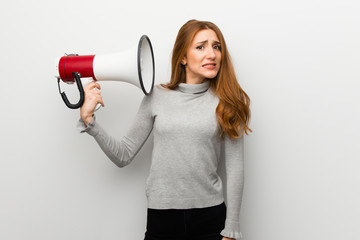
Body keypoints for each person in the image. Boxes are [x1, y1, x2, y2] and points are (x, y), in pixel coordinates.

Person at [77, 19, 252, 240]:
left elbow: (235, 168)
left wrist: (232, 228)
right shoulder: (156, 96)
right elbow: (123, 155)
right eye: (201, 47)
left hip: (210, 219)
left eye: (216, 47)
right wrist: (89, 120)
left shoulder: (228, 102)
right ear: (183, 57)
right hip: (162, 219)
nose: (212, 54)